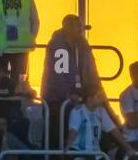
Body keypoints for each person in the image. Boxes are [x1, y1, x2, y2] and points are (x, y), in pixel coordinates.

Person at [66, 85, 135, 160]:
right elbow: (73, 131)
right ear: (89, 98)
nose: (102, 98)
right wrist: (66, 149)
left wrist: (128, 148)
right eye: (99, 95)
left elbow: (113, 130)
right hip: (80, 157)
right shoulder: (78, 111)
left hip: (97, 158)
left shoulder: (100, 111)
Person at [41, 14, 98, 149]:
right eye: (76, 26)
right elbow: (57, 75)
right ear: (66, 27)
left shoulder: (82, 45)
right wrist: (68, 95)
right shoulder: (57, 45)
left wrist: (94, 92)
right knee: (56, 133)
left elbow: (91, 71)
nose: (79, 30)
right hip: (56, 98)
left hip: (77, 95)